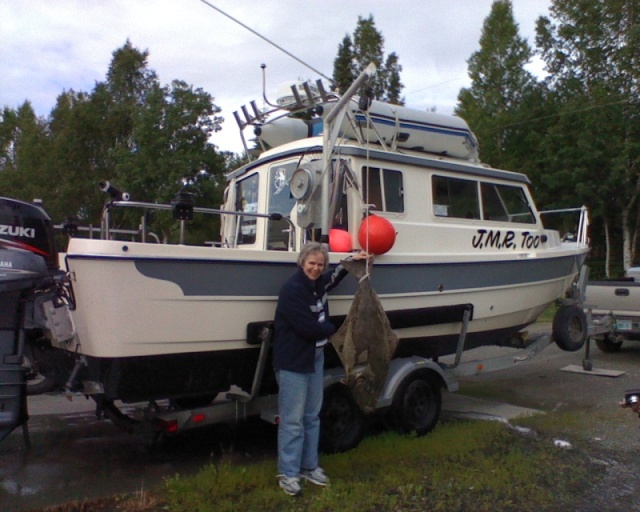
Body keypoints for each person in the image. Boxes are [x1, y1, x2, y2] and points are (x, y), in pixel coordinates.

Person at [273, 241, 369, 496]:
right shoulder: (292, 290)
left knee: (312, 416)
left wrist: (353, 260)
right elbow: (307, 328)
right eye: (311, 263)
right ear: (301, 263)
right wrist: (335, 329)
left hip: (314, 359)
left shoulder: (318, 284)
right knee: (292, 421)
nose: (315, 268)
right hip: (293, 362)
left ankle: (309, 466)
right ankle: (288, 473)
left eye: (319, 264)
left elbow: (334, 277)